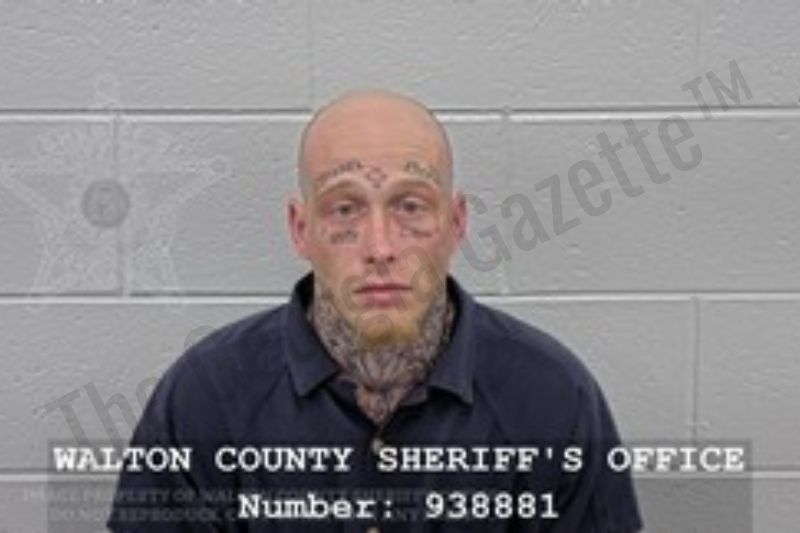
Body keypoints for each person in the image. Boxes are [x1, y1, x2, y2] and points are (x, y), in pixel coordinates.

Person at [107, 90, 643, 532]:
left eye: (410, 206)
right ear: (301, 228)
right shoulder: (205, 397)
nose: (381, 247)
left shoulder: (552, 396)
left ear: (456, 223)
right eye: (345, 209)